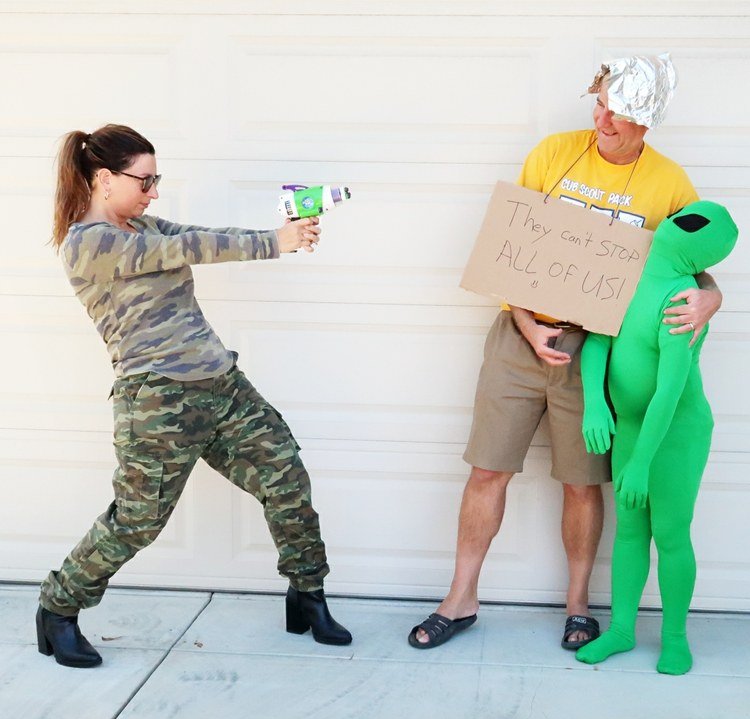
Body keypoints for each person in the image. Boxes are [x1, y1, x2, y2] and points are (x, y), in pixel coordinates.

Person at [409, 54, 723, 650]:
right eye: (599, 101)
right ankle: (460, 598)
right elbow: (508, 249)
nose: (603, 118)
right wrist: (526, 325)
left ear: (646, 119)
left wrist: (714, 298)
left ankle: (578, 608)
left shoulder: (671, 184)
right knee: (487, 469)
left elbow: (693, 266)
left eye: (619, 108)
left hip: (598, 349)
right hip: (520, 336)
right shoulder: (554, 153)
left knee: (582, 484)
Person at [37, 124, 352, 669]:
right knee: (138, 520)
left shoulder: (139, 223)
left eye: (156, 179)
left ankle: (307, 596)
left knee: (288, 481)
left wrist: (279, 231)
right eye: (145, 179)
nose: (154, 190)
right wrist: (276, 243)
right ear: (104, 178)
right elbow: (188, 248)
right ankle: (58, 609)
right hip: (157, 401)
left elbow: (202, 233)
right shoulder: (88, 243)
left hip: (221, 385)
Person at [575, 200, 737, 674]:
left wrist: (643, 461)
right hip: (629, 429)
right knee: (629, 533)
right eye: (680, 216)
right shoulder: (628, 276)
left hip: (674, 438)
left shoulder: (684, 300)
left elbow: (670, 389)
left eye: (689, 224)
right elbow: (598, 340)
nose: (674, 224)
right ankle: (622, 631)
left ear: (701, 252)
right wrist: (594, 403)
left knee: (669, 533)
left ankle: (674, 637)